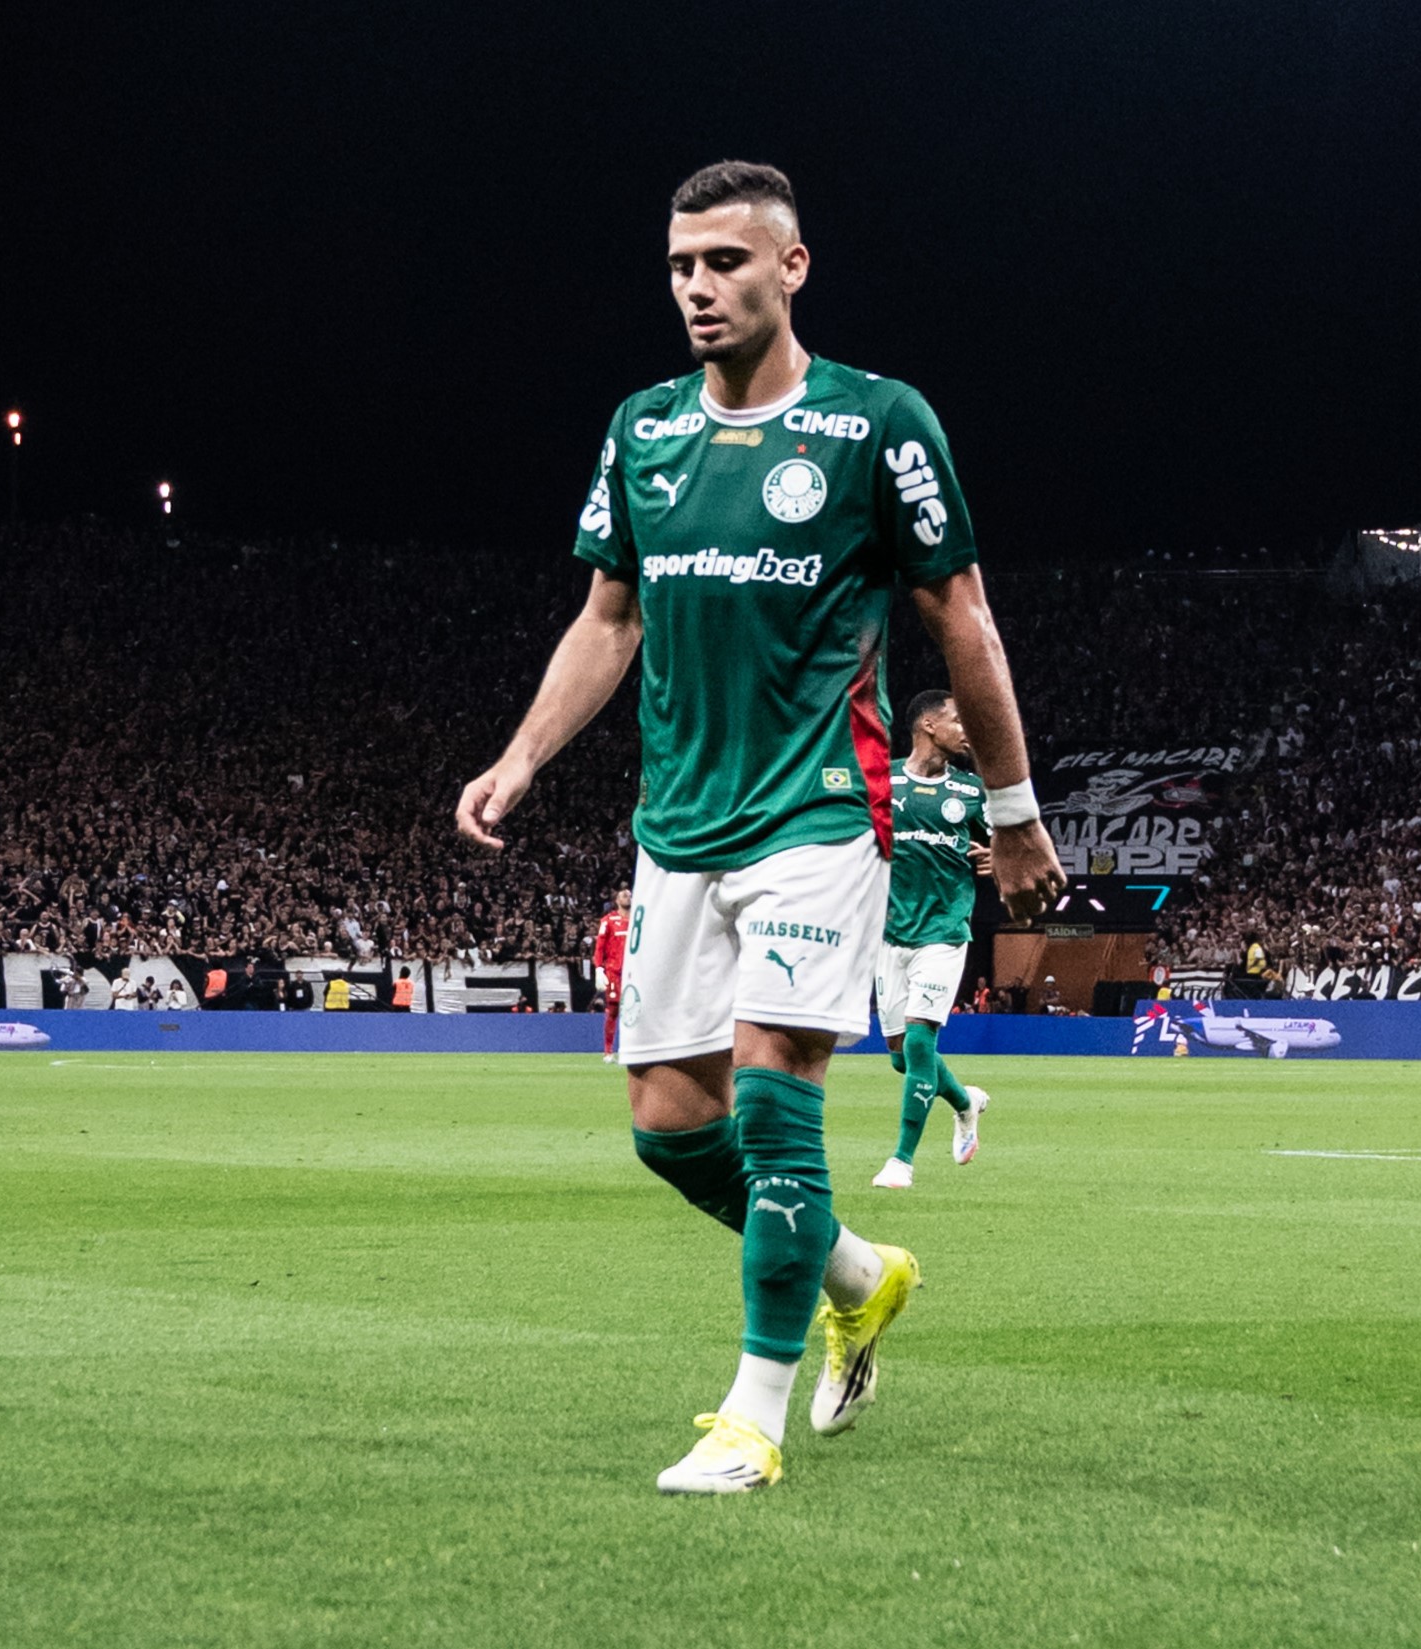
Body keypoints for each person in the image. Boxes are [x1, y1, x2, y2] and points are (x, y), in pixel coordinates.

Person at [454, 160, 1063, 1495]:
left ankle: (754, 1415)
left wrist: (1016, 813)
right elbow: (609, 617)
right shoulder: (642, 429)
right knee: (671, 1127)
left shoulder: (876, 422)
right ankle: (854, 1273)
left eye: (724, 261)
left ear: (792, 267)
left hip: (820, 812)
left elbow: (961, 617)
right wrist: (521, 754)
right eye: (680, 265)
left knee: (778, 1102)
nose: (697, 286)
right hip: (679, 823)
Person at [870, 690, 993, 1189]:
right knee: (902, 1057)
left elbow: (1010, 845)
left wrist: (999, 858)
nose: (966, 729)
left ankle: (901, 1160)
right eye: (956, 720)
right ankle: (965, 1102)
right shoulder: (882, 780)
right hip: (889, 933)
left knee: (921, 1041)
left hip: (944, 931)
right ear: (927, 725)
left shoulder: (971, 791)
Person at [593, 887, 632, 1063]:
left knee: (634, 1010)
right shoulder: (608, 921)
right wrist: (599, 968)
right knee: (614, 1010)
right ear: (617, 900)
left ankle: (631, 1049)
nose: (628, 897)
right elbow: (600, 947)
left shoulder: (638, 920)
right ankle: (608, 1051)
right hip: (615, 971)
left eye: (630, 895)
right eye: (624, 895)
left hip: (634, 972)